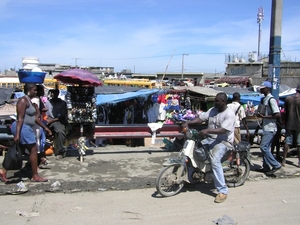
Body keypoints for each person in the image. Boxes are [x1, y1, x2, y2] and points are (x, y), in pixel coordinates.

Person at [183, 92, 235, 203]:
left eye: (217, 101)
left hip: (223, 142)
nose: (215, 102)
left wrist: (207, 130)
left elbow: (223, 130)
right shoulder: (212, 110)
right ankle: (191, 179)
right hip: (210, 139)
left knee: (214, 160)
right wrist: (188, 123)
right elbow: (201, 119)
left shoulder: (229, 114)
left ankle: (223, 191)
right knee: (192, 152)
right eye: (215, 100)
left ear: (224, 102)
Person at [0, 83, 52, 183]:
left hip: (26, 127)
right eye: (34, 90)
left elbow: (35, 118)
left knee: (20, 150)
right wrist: (17, 134)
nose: (36, 92)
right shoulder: (22, 101)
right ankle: (35, 175)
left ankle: (3, 171)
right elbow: (20, 118)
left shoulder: (30, 101)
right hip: (22, 127)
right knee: (33, 150)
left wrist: (45, 128)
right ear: (28, 90)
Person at [256, 81, 282, 175]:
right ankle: (266, 167)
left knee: (263, 147)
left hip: (270, 128)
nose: (261, 90)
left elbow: (277, 114)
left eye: (263, 88)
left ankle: (275, 164)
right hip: (266, 127)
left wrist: (264, 117)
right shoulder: (264, 99)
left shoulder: (271, 100)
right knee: (266, 147)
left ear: (267, 89)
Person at [45, 89, 68, 159]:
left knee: (60, 131)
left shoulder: (63, 103)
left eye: (54, 93)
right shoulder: (48, 102)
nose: (52, 95)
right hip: (48, 120)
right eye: (51, 93)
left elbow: (62, 116)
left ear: (57, 94)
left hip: (58, 120)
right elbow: (46, 114)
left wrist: (51, 121)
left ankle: (61, 151)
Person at [282, 84, 300, 167]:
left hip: (289, 123)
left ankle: (284, 160)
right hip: (298, 125)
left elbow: (284, 112)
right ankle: (299, 162)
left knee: (287, 142)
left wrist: (283, 121)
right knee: (299, 144)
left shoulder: (288, 99)